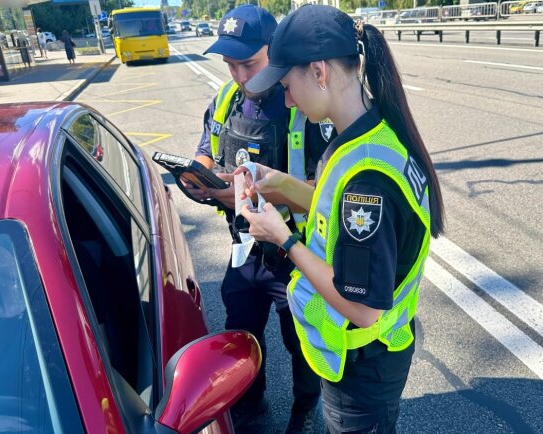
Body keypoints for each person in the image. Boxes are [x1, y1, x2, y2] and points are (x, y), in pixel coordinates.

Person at [237, 5, 445, 433]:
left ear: (319, 72)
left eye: (288, 85)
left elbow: (363, 308)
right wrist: (282, 183)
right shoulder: (366, 133)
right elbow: (335, 213)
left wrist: (283, 239)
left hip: (363, 368)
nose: (288, 99)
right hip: (369, 360)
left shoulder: (367, 180)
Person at [184, 5, 334, 433]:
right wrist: (198, 176)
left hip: (295, 253)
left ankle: (306, 409)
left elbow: (323, 192)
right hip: (245, 248)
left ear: (275, 51)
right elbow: (207, 149)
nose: (240, 76)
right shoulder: (226, 99)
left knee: (301, 342)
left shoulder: (301, 102)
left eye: (249, 63)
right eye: (230, 65)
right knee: (240, 334)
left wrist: (238, 193)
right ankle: (250, 404)